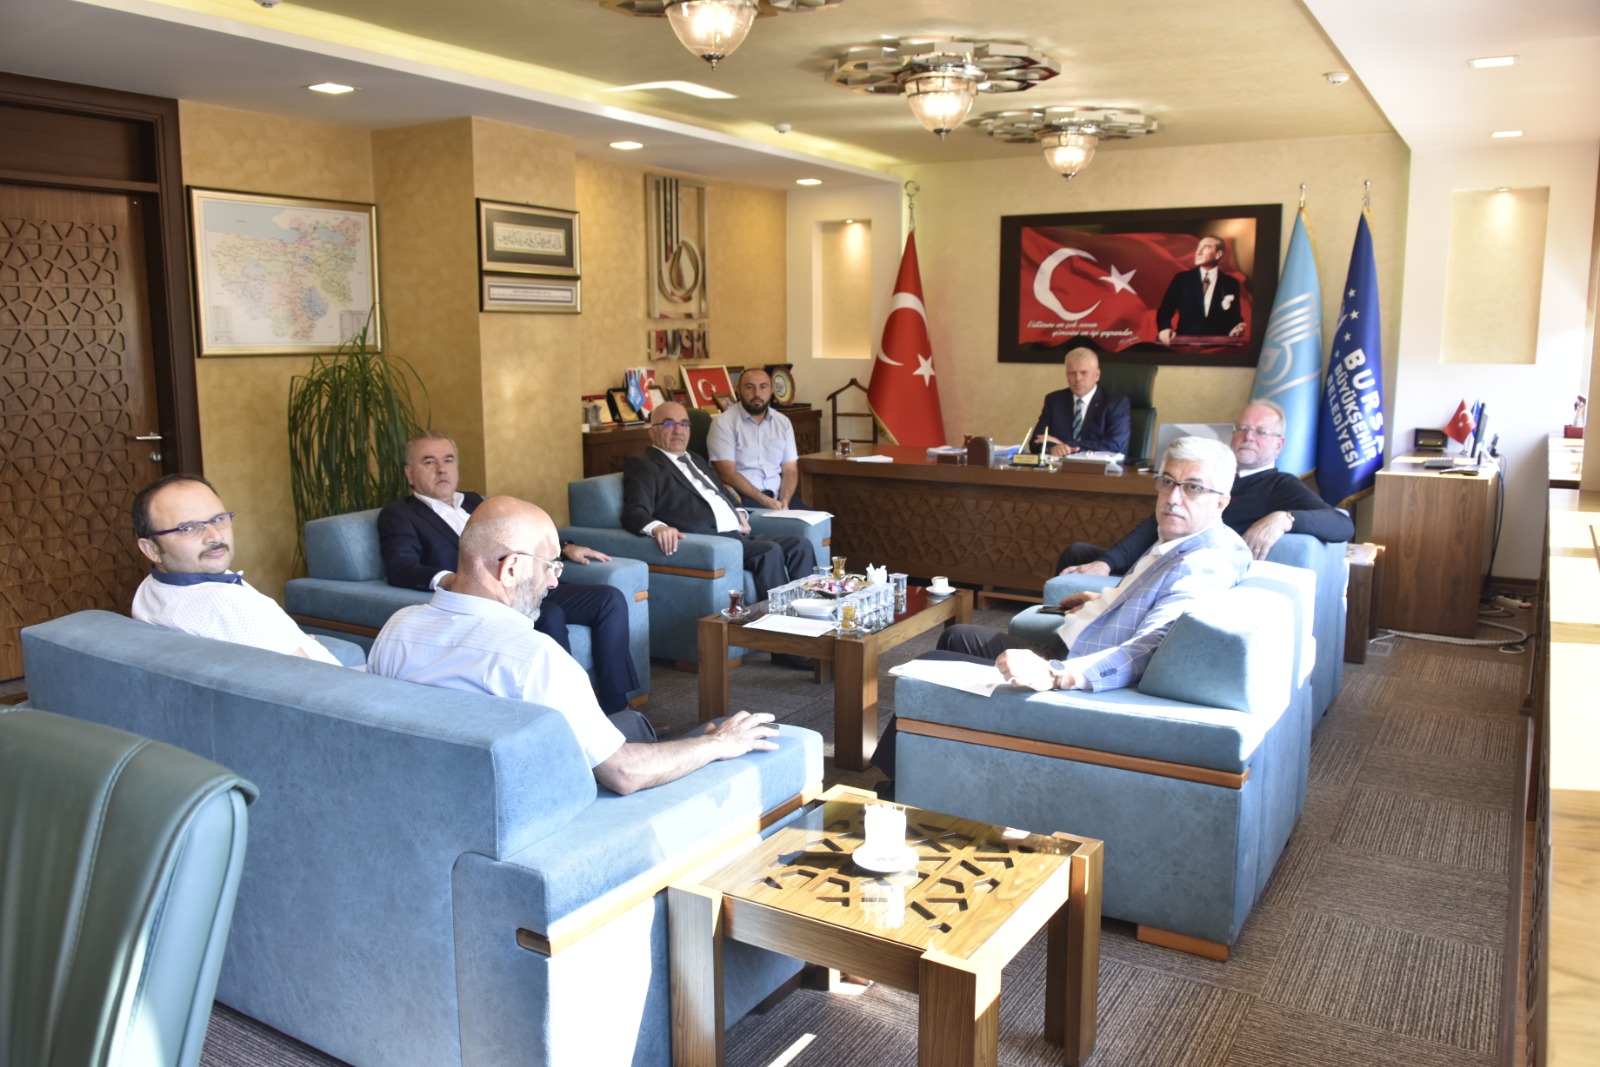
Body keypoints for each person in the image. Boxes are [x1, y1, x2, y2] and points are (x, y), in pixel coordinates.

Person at [872, 436, 1251, 791]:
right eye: (1167, 481)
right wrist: (1104, 599)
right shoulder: (1190, 540)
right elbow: (1152, 599)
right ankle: (920, 765)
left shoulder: (1203, 563)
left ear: (1222, 501)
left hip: (1082, 676)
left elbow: (1149, 646)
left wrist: (1056, 674)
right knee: (958, 636)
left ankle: (893, 789)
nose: (1173, 497)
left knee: (931, 663)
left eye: (1193, 487)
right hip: (1080, 644)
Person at [368, 497, 778, 796]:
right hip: (545, 811)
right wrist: (716, 745)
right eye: (550, 566)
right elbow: (624, 774)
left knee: (631, 726)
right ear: (511, 568)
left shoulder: (396, 629)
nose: (554, 581)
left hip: (429, 800)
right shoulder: (534, 658)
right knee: (716, 735)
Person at [377, 432, 639, 713]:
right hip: (493, 596)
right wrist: (450, 578)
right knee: (550, 614)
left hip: (532, 581)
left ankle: (617, 707)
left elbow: (521, 533)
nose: (442, 469)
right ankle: (566, 714)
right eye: (429, 462)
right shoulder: (399, 514)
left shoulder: (474, 502)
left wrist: (565, 548)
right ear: (410, 473)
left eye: (448, 460)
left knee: (609, 599)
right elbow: (400, 567)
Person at [1056, 399, 1355, 572]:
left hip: (1189, 569)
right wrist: (1107, 564)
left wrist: (1284, 518)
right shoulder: (1211, 472)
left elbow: (1342, 525)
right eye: (1242, 429)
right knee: (1077, 553)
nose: (1249, 437)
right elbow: (1154, 525)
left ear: (1279, 444)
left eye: (1261, 432)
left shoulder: (1280, 485)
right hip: (1155, 555)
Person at [130, 473, 342, 664]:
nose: (214, 536)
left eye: (218, 519)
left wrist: (287, 637)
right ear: (151, 549)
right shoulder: (232, 605)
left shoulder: (149, 590)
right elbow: (314, 682)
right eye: (188, 528)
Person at [622, 402, 815, 599]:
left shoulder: (695, 459)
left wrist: (739, 512)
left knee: (800, 545)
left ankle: (811, 607)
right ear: (652, 432)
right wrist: (658, 528)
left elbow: (722, 491)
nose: (679, 431)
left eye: (684, 424)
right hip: (710, 541)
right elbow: (634, 511)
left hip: (736, 536)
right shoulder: (644, 464)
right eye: (669, 424)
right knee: (768, 550)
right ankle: (780, 615)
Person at [706, 367, 807, 510]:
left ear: (772, 390)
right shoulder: (723, 423)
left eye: (763, 387)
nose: (757, 393)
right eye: (749, 387)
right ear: (739, 390)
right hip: (743, 499)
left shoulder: (783, 422)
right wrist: (766, 502)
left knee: (818, 519)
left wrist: (785, 500)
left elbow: (790, 468)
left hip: (778, 497)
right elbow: (727, 474)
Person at [1027, 347, 1131, 457]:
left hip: (1101, 467)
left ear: (1097, 375)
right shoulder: (1055, 400)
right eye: (1072, 373)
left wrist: (1065, 445)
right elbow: (1035, 441)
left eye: (1083, 373)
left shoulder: (1116, 403)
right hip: (1060, 466)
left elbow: (1115, 445)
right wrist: (1051, 448)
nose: (1078, 379)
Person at [1156, 235, 1246, 344]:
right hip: (1185, 344)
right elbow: (1165, 310)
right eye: (1199, 247)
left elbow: (1235, 317)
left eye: (1206, 247)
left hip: (1218, 346)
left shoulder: (1231, 283)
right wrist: (1164, 328)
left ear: (1218, 254)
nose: (1199, 252)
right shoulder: (1182, 279)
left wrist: (1239, 326)